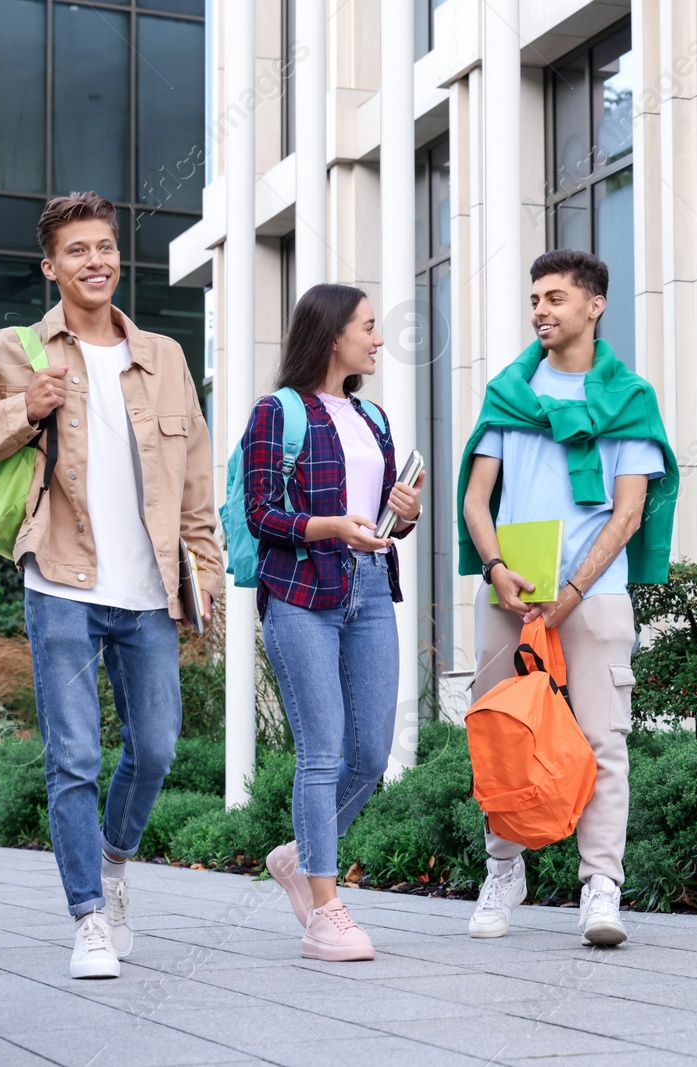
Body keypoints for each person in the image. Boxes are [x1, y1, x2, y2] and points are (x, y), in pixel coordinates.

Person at [0, 192, 220, 980]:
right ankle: (88, 915)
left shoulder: (163, 358)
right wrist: (23, 408)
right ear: (50, 266)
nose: (96, 261)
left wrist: (208, 580)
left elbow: (195, 479)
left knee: (155, 746)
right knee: (76, 756)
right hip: (59, 576)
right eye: (78, 250)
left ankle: (114, 863)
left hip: (150, 585)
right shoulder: (11, 351)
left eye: (105, 247)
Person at [458, 249, 678, 946]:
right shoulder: (509, 393)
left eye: (554, 298)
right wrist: (496, 569)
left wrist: (573, 590)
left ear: (595, 305)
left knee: (602, 742)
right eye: (534, 300)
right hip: (509, 596)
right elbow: (474, 497)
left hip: (597, 596)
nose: (540, 311)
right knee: (499, 737)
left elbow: (629, 512)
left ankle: (601, 890)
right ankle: (503, 873)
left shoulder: (629, 399)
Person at [248, 284, 425, 962]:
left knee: (370, 755)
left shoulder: (373, 417)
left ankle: (299, 856)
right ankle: (325, 910)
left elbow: (385, 523)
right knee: (321, 751)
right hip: (299, 592)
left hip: (371, 587)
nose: (379, 339)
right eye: (370, 327)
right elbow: (261, 512)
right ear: (331, 335)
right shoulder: (278, 413)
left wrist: (402, 511)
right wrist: (327, 527)